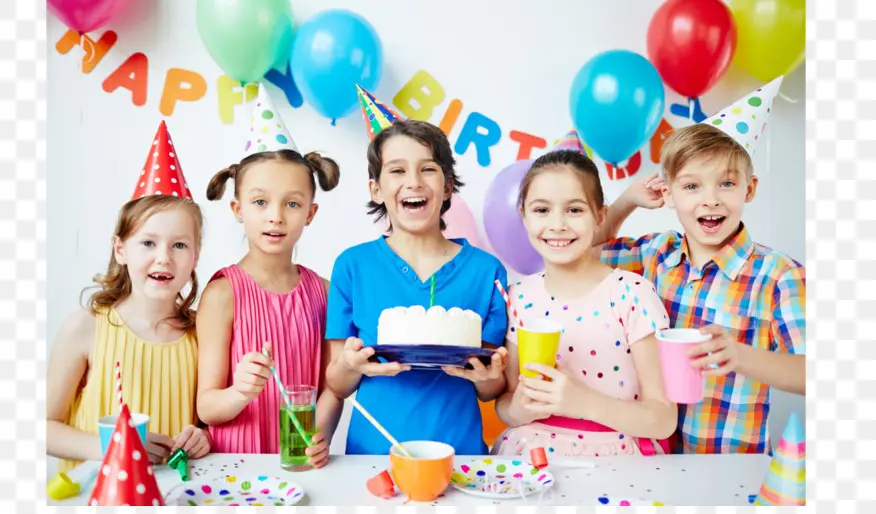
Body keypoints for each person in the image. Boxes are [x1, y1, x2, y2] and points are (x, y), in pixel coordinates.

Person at [598, 78, 806, 454]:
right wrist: (627, 200)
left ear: (750, 189)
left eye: (726, 184)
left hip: (730, 465)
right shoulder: (655, 254)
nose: (710, 201)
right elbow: (587, 250)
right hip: (652, 457)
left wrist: (739, 356)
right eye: (691, 187)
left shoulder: (780, 276)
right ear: (669, 193)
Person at [325, 96, 508, 455]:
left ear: (448, 186)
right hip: (373, 455)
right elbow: (337, 382)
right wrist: (350, 364)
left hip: (461, 455)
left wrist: (491, 378)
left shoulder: (486, 271)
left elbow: (489, 389)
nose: (413, 182)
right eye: (397, 170)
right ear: (375, 189)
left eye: (427, 169)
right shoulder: (352, 266)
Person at [492, 147, 677, 457]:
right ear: (523, 215)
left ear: (599, 216)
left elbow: (663, 419)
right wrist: (521, 409)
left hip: (617, 458)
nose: (558, 224)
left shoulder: (632, 294)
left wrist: (581, 402)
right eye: (541, 210)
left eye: (574, 210)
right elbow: (506, 404)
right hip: (531, 453)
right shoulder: (518, 297)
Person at [47, 125, 209, 471]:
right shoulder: (86, 327)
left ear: (196, 255)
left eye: (179, 245)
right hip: (98, 498)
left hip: (172, 498)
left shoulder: (203, 334)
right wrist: (113, 444)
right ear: (121, 249)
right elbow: (44, 428)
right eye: (148, 243)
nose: (164, 257)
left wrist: (203, 436)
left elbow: (207, 421)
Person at [195, 94, 341, 468]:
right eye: (260, 202)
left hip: (299, 466)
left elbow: (331, 390)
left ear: (310, 213)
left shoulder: (323, 292)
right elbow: (207, 407)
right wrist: (240, 392)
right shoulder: (222, 293)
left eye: (292, 204)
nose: (275, 217)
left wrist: (316, 438)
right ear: (237, 209)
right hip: (234, 472)